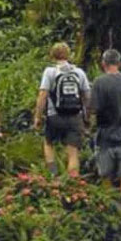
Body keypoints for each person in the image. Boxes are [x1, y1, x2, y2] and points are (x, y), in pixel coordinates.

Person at [90, 48, 121, 216]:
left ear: (103, 64)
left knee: (106, 177)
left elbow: (94, 109)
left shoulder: (99, 82)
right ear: (119, 63)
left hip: (105, 138)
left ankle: (110, 210)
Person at [33, 41, 91, 177]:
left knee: (48, 143)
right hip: (75, 116)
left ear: (52, 55)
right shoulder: (79, 72)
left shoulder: (50, 72)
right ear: (69, 55)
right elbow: (87, 97)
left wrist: (37, 116)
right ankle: (73, 185)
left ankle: (53, 177)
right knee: (73, 152)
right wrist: (87, 117)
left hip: (54, 116)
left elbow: (42, 95)